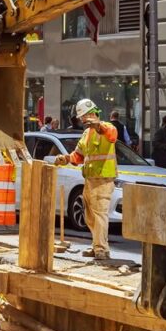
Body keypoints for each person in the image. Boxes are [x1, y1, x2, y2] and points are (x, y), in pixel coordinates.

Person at [54, 99, 117, 261]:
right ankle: (97, 245)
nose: (81, 120)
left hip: (103, 178)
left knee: (100, 214)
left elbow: (112, 136)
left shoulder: (107, 127)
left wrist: (98, 125)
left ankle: (102, 249)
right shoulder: (86, 133)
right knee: (89, 215)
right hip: (90, 179)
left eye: (83, 116)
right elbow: (79, 155)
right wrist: (66, 158)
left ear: (91, 114)